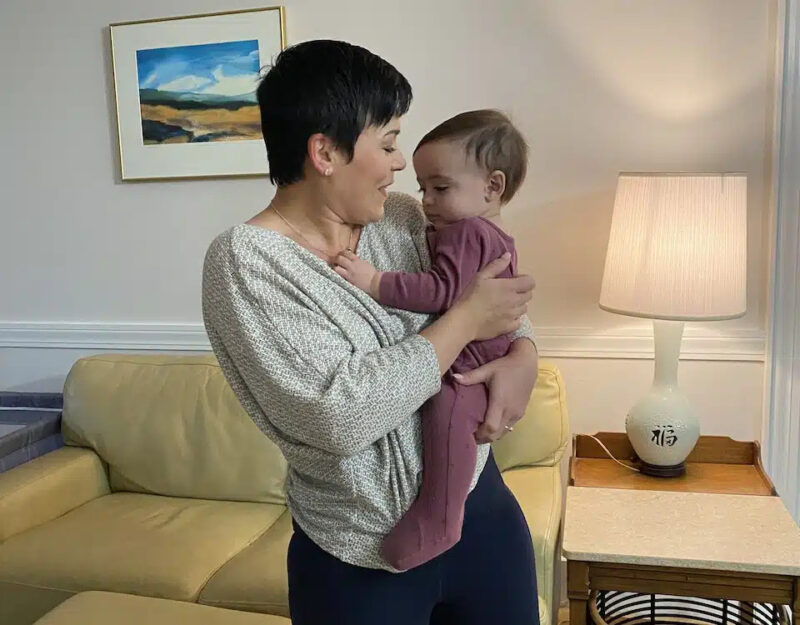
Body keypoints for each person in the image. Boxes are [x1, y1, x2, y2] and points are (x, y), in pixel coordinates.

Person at [202, 39, 540, 625]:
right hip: (358, 553)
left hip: (482, 516)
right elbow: (340, 415)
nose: (401, 163)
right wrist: (463, 324)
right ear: (325, 153)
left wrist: (525, 355)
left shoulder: (408, 217)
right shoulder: (247, 262)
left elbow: (495, 293)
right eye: (387, 143)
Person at [334, 109, 529, 571]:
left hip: (472, 363)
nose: (425, 199)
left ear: (493, 186)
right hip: (480, 352)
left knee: (447, 411)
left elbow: (442, 291)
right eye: (423, 188)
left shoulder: (468, 232)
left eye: (439, 188)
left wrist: (375, 281)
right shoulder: (471, 229)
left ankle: (442, 515)